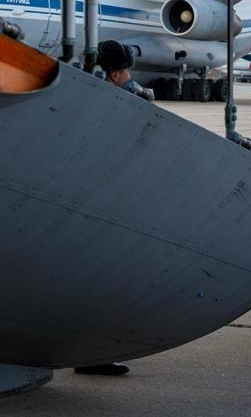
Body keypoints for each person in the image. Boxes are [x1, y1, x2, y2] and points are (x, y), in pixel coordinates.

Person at [72, 40, 158, 378]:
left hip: (87, 201)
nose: (128, 77)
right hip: (101, 206)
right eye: (124, 72)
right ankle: (92, 355)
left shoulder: (82, 91)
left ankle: (90, 352)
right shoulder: (111, 97)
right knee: (99, 282)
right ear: (115, 73)